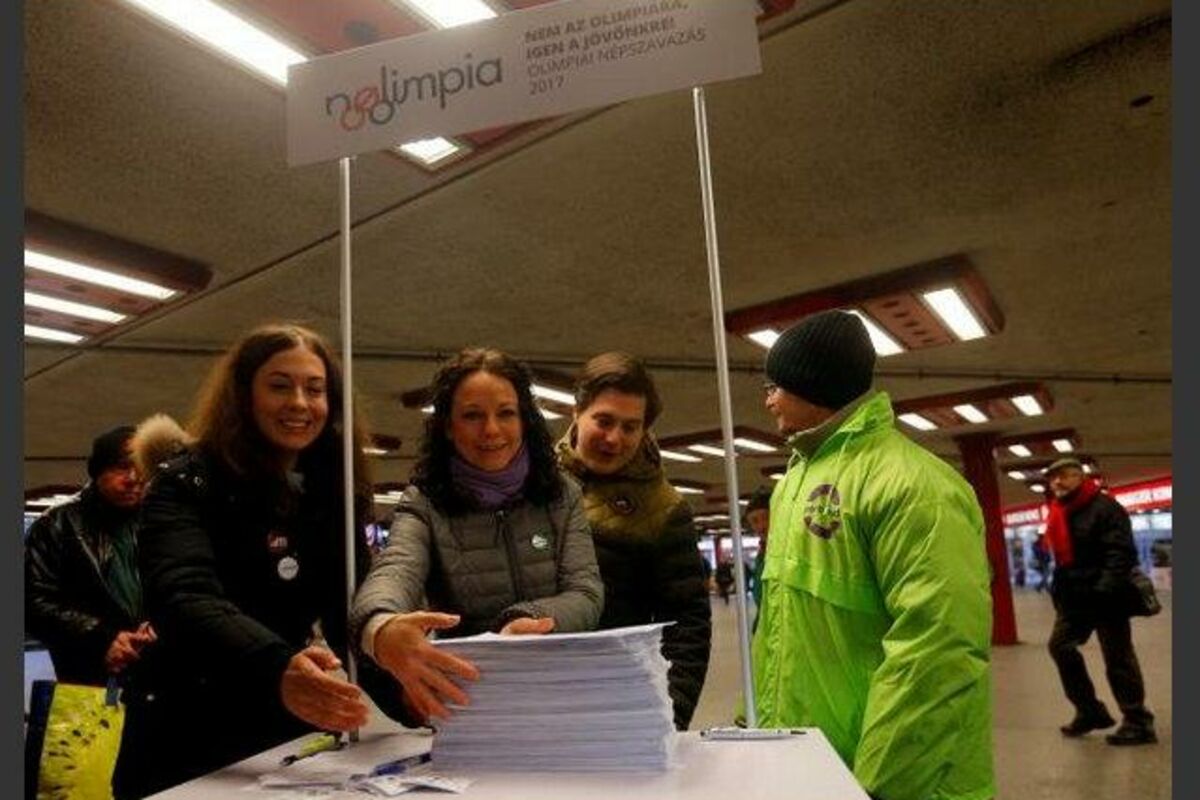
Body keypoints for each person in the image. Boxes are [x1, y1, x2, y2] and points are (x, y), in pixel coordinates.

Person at [111, 324, 377, 799]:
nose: (299, 402)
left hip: (280, 737)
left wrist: (417, 690)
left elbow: (348, 611)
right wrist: (278, 664)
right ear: (243, 395)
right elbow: (183, 596)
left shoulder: (333, 492)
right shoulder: (184, 483)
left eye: (315, 389)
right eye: (280, 386)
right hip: (184, 734)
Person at [753, 310, 994, 800]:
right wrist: (754, 722)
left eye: (776, 386)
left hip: (901, 780)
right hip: (813, 767)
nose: (768, 399)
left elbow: (937, 650)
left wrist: (875, 788)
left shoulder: (914, 486)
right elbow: (778, 623)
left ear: (812, 385)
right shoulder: (793, 483)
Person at [351, 348, 604, 726]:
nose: (491, 430)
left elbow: (585, 591)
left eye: (506, 413)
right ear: (448, 427)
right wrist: (381, 625)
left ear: (524, 419)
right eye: (472, 415)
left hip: (561, 693)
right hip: (473, 701)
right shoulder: (424, 503)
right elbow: (395, 570)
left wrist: (529, 620)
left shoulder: (561, 494)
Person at [556, 352, 712, 730]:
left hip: (618, 704)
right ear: (577, 412)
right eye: (604, 421)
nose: (614, 438)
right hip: (529, 697)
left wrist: (669, 718)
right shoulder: (531, 485)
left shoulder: (664, 509)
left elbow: (688, 625)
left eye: (630, 427)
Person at [25, 426, 156, 687]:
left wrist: (164, 624)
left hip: (158, 671)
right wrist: (101, 638)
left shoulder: (163, 521)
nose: (134, 478)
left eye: (142, 467)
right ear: (97, 472)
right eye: (121, 467)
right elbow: (32, 601)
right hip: (89, 674)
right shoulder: (58, 525)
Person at [1043, 456, 1156, 745]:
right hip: (1075, 597)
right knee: (1060, 647)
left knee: (1117, 657)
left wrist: (1104, 589)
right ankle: (1089, 710)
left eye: (1065, 475)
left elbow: (1121, 553)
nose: (1058, 481)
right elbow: (1063, 560)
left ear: (1081, 477)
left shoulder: (1105, 507)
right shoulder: (1059, 511)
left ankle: (1138, 721)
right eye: (1053, 478)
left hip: (1106, 596)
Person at [744, 486, 772, 631]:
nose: (761, 526)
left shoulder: (790, 551)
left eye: (766, 517)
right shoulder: (761, 555)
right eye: (755, 521)